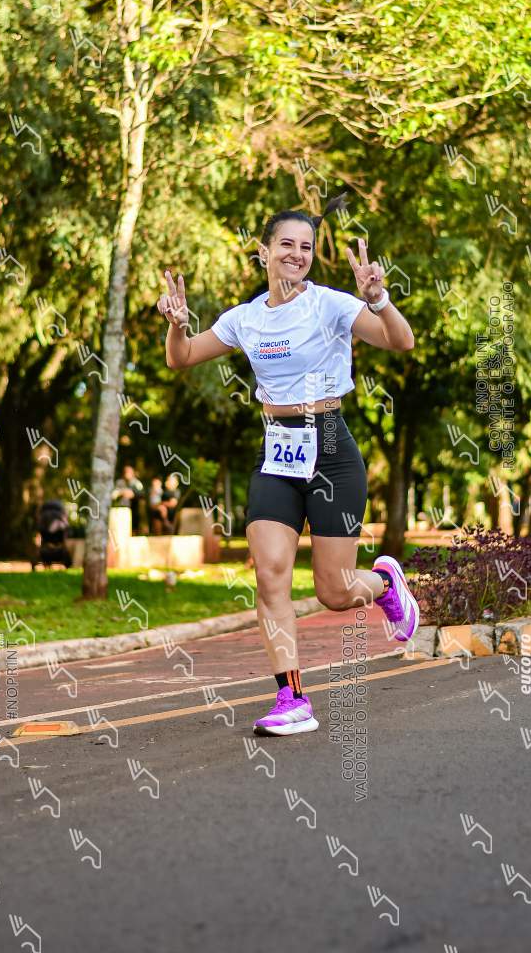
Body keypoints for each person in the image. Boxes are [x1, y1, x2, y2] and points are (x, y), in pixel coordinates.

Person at [157, 195, 418, 736]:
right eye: (286, 245)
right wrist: (178, 326)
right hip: (277, 449)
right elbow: (180, 358)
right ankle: (291, 698)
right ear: (264, 252)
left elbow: (401, 341)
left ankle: (385, 584)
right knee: (270, 571)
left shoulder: (332, 305)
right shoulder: (245, 318)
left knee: (334, 591)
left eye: (306, 247)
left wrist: (379, 299)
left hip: (331, 446)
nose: (296, 254)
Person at [35, 499, 71, 568]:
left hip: (47, 543)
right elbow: (67, 529)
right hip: (56, 543)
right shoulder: (61, 519)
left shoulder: (43, 519)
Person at [112, 464, 144, 535]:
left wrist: (133, 494)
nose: (127, 473)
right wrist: (121, 493)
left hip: (133, 509)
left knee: (133, 527)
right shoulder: (119, 482)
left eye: (129, 472)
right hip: (120, 509)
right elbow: (113, 494)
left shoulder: (136, 483)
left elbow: (142, 494)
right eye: (126, 472)